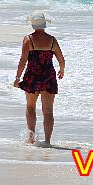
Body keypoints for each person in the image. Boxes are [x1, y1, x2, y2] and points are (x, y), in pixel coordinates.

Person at [13, 11, 65, 145]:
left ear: (32, 24)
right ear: (44, 24)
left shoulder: (28, 39)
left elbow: (23, 60)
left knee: (30, 107)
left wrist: (17, 78)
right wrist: (61, 70)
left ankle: (31, 138)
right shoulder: (52, 40)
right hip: (48, 76)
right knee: (48, 111)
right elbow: (61, 59)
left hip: (32, 76)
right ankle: (47, 141)